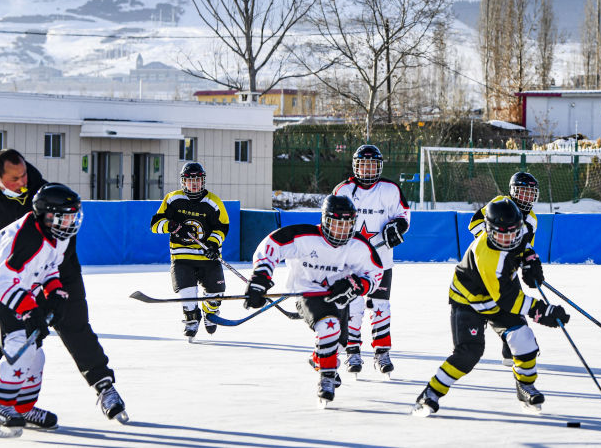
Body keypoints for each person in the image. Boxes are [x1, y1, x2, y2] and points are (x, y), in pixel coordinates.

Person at [0, 149, 127, 425]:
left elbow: (61, 241)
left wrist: (54, 290)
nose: (22, 182)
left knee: (74, 325)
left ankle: (104, 386)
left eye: (24, 174)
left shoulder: (45, 195)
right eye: (14, 178)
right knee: (1, 332)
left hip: (56, 272)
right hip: (8, 274)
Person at [413, 198, 568, 416]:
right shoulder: (488, 257)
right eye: (502, 234)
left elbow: (523, 245)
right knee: (469, 352)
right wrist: (543, 311)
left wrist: (530, 259)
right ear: (489, 229)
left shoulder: (518, 230)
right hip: (470, 302)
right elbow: (509, 301)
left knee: (523, 339)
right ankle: (431, 393)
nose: (508, 239)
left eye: (512, 233)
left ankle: (525, 386)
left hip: (498, 296)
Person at [0, 183, 81, 437]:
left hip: (14, 282)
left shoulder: (58, 235)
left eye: (73, 215)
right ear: (46, 215)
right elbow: (1, 281)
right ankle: (2, 406)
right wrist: (31, 311)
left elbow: (49, 267)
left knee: (35, 353)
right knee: (19, 342)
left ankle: (23, 408)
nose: (70, 221)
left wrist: (55, 292)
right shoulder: (26, 237)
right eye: (65, 215)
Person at [244, 194, 384, 407]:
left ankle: (320, 360)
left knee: (340, 342)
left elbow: (375, 274)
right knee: (329, 327)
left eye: (347, 225)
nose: (341, 231)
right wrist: (261, 278)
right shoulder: (303, 236)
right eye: (336, 224)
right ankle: (326, 378)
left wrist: (356, 285)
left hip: (338, 299)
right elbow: (270, 246)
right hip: (307, 294)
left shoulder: (358, 246)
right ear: (325, 220)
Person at [331, 144, 410, 376]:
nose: (366, 169)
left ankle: (382, 352)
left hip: (381, 260)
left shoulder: (390, 189)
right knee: (353, 307)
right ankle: (353, 352)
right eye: (363, 164)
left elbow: (403, 215)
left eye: (371, 165)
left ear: (379, 166)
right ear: (355, 166)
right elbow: (329, 221)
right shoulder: (343, 190)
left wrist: (398, 226)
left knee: (380, 306)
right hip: (351, 262)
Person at [149, 161, 230, 340]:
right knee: (186, 291)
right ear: (183, 182)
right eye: (189, 180)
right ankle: (191, 319)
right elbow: (155, 225)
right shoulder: (172, 199)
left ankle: (210, 313)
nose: (194, 184)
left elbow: (222, 227)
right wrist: (172, 225)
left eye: (198, 180)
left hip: (208, 257)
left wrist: (213, 244)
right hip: (182, 255)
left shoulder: (213, 202)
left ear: (203, 181)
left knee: (215, 294)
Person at [467, 171, 541, 366]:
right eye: (523, 192)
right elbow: (474, 225)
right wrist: (497, 243)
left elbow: (525, 246)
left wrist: (529, 263)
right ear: (513, 191)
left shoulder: (532, 219)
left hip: (507, 269)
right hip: (486, 265)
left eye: (530, 193)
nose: (527, 197)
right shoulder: (500, 203)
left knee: (514, 308)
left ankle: (511, 351)